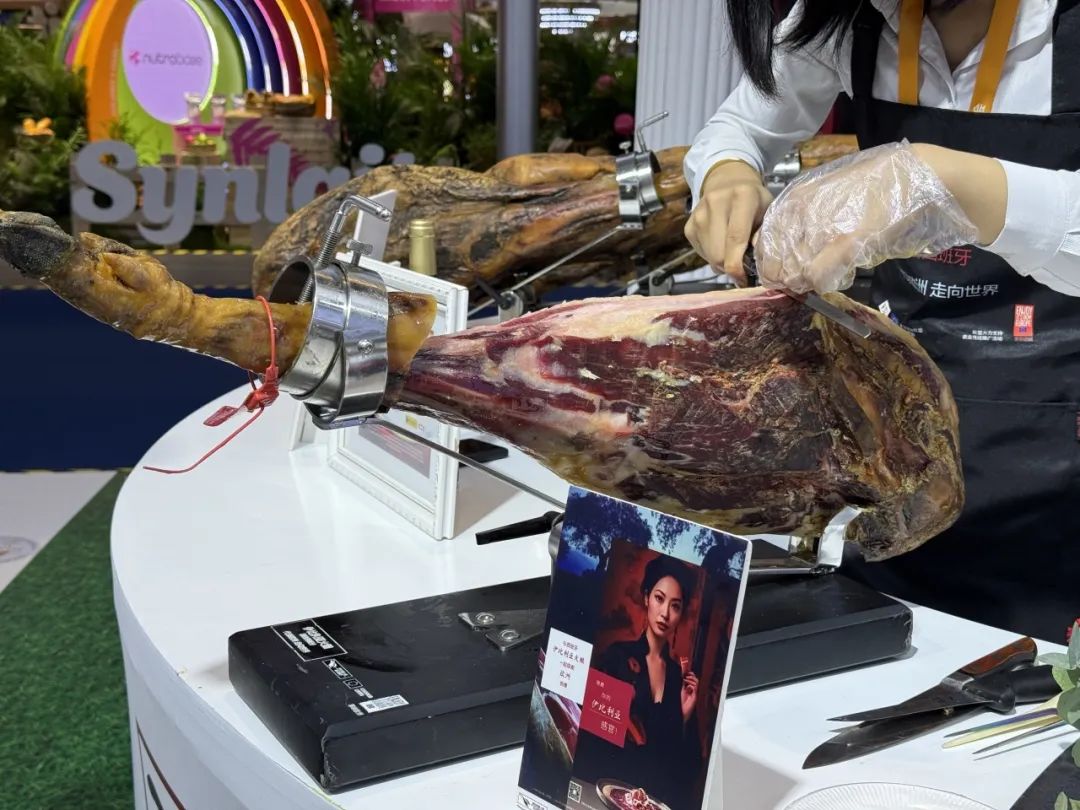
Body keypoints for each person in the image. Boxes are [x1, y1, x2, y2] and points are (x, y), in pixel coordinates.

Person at [683, 0, 1080, 641]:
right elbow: (742, 124)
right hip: (897, 441)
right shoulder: (848, 16)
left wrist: (955, 184)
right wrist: (727, 172)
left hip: (1060, 462)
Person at [589, 555, 702, 809]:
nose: (665, 613)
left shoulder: (678, 677)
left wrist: (684, 716)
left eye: (675, 606)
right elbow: (596, 737)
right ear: (646, 598)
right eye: (659, 599)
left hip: (657, 800)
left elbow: (687, 764)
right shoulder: (618, 656)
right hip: (611, 793)